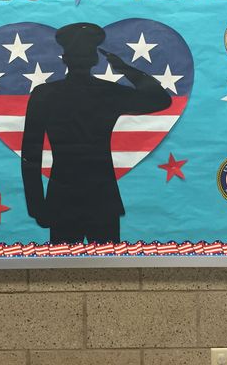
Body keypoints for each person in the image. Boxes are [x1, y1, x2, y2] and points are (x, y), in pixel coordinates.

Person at [21, 22, 172, 244]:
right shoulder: (109, 93)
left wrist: (36, 206)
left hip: (62, 197)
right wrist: (124, 69)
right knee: (109, 270)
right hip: (102, 197)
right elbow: (161, 99)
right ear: (94, 59)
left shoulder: (44, 94)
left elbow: (30, 154)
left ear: (65, 58)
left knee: (61, 271)